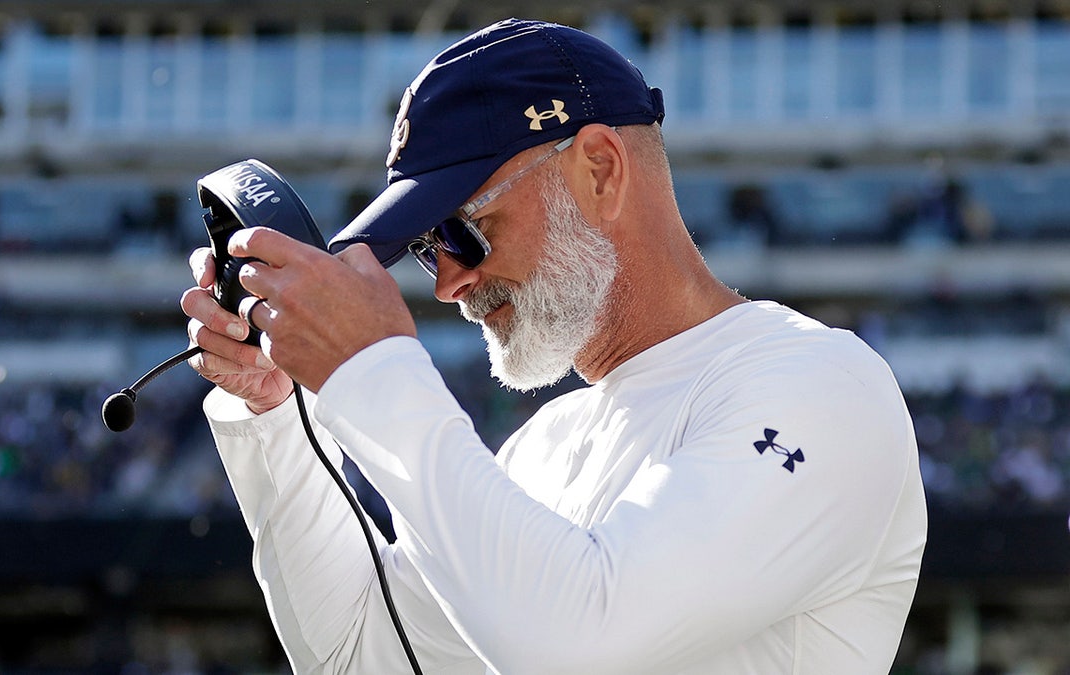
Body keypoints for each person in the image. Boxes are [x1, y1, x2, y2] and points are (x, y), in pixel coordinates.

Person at [179, 18, 927, 674]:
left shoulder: (825, 385)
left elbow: (579, 643)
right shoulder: (544, 445)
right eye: (427, 246)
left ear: (600, 169)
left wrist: (375, 369)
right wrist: (277, 416)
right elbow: (362, 656)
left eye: (464, 230)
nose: (447, 282)